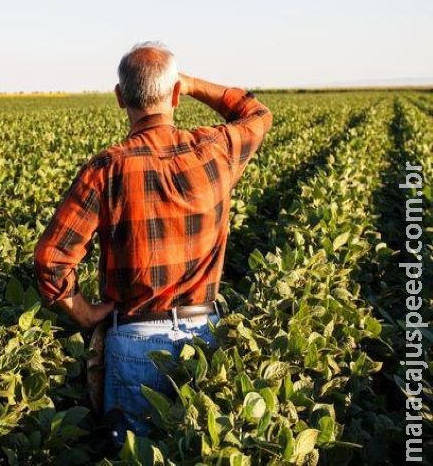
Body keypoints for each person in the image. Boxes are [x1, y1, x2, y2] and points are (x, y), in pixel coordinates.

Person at [33, 41, 272, 441]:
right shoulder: (216, 150)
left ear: (119, 97)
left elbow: (51, 260)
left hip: (133, 343)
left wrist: (85, 314)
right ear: (176, 94)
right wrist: (193, 83)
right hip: (203, 339)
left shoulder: (106, 169)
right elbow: (257, 114)